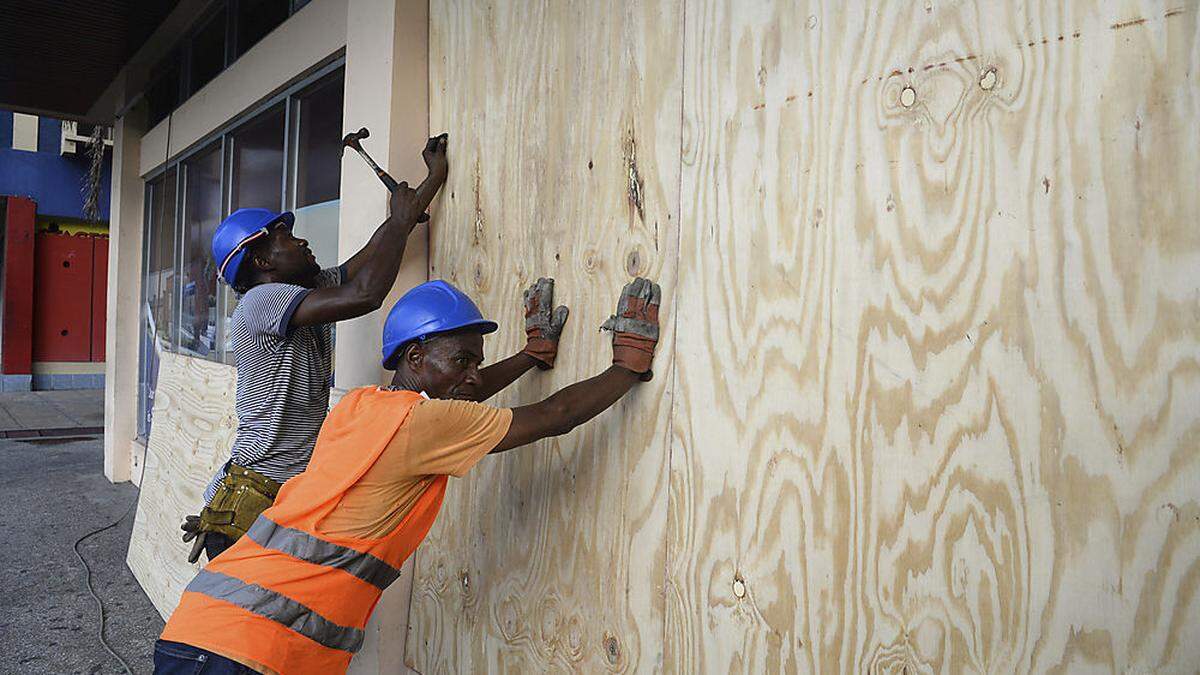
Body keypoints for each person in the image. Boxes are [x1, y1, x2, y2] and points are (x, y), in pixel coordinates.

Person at [154, 276, 661, 675]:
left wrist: (531, 355)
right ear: (415, 357)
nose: (473, 375)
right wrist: (628, 364)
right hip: (242, 649)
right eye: (462, 360)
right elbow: (554, 417)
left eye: (476, 364)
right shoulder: (422, 423)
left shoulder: (362, 407)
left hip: (208, 625)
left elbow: (461, 405)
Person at [180, 135, 450, 563]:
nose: (302, 241)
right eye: (286, 238)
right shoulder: (260, 302)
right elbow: (366, 293)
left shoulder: (308, 289)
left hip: (280, 494)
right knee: (262, 623)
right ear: (263, 263)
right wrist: (401, 220)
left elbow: (374, 253)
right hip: (256, 500)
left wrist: (431, 180)